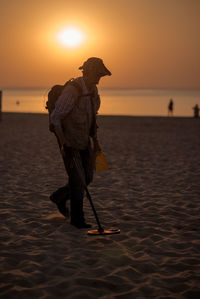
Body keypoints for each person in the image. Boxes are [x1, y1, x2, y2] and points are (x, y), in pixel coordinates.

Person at [49, 57, 111, 228]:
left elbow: (92, 119)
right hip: (69, 143)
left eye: (101, 75)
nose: (99, 78)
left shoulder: (94, 93)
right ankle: (77, 220)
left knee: (88, 178)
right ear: (87, 72)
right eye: (97, 74)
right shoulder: (72, 91)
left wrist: (96, 142)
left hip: (85, 141)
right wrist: (63, 144)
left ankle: (60, 196)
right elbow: (55, 118)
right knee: (78, 181)